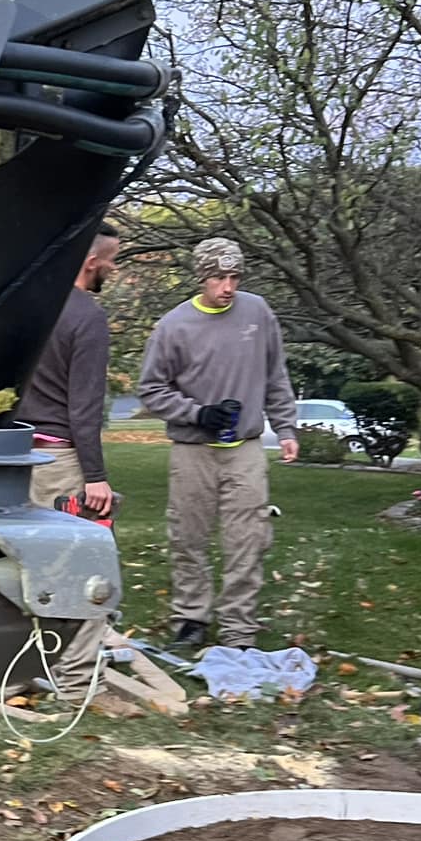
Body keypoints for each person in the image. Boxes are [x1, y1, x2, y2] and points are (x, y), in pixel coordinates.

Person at [138, 238, 299, 650]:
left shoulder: (257, 312)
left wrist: (286, 429)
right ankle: (191, 618)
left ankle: (238, 630)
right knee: (188, 538)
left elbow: (275, 374)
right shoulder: (174, 326)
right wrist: (197, 413)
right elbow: (151, 390)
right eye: (218, 278)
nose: (228, 287)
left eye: (234, 277)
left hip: (244, 449)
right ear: (201, 279)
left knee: (247, 539)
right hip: (193, 450)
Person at [15, 224, 122, 695]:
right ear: (91, 261)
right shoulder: (88, 318)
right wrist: (95, 478)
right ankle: (75, 681)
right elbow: (84, 409)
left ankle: (14, 672)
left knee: (27, 568)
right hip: (61, 462)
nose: (114, 269)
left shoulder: (28, 305)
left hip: (16, 459)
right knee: (90, 567)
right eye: (112, 259)